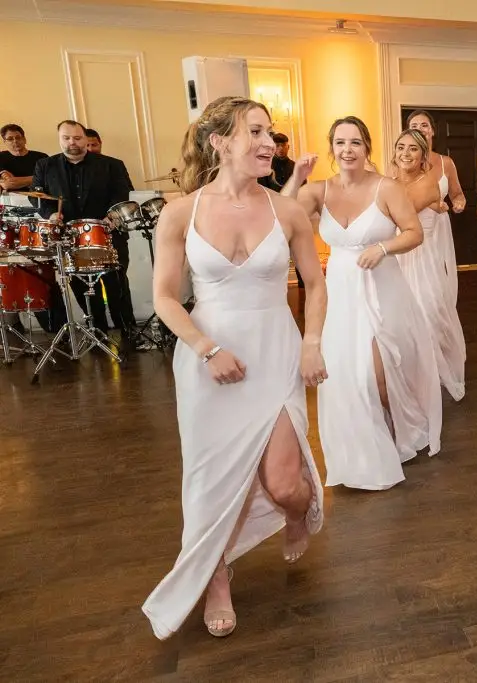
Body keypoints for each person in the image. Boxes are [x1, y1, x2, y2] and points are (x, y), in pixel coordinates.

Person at [142, 96, 328, 640]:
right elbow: (166, 299)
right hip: (208, 359)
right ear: (219, 142)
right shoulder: (180, 213)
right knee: (209, 484)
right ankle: (216, 579)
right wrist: (206, 349)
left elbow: (314, 284)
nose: (270, 142)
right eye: (255, 132)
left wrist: (312, 342)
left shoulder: (286, 210)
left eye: (270, 132)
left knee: (285, 482)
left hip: (274, 352)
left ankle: (298, 512)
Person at [283, 116, 443, 491]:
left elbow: (414, 233)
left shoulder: (385, 188)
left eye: (355, 142)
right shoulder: (318, 191)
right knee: (347, 372)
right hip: (338, 288)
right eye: (340, 143)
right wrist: (296, 175)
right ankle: (361, 448)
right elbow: (280, 216)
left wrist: (383, 247)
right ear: (332, 149)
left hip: (381, 285)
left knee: (379, 370)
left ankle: (397, 427)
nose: (348, 150)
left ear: (367, 148)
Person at [32, 120, 136, 335]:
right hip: (70, 238)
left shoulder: (111, 164)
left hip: (107, 233)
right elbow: (37, 197)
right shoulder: (45, 165)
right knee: (83, 289)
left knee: (117, 286)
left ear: (86, 139)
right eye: (66, 138)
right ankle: (97, 331)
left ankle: (128, 331)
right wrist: (50, 213)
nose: (72, 142)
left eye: (77, 138)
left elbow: (121, 193)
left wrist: (112, 216)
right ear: (60, 139)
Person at [392, 129, 467, 401]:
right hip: (395, 262)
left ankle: (429, 378)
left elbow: (394, 216)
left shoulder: (427, 184)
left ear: (424, 155)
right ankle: (408, 379)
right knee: (399, 323)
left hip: (421, 261)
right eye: (401, 147)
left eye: (413, 149)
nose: (405, 153)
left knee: (428, 316)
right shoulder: (387, 184)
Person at [406, 110, 468, 305]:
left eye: (424, 125)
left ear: (432, 131)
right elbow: (397, 197)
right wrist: (433, 203)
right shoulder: (401, 162)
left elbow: (457, 193)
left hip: (438, 231)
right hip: (411, 225)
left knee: (437, 283)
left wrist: (459, 202)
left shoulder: (446, 163)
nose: (419, 129)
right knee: (413, 284)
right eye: (414, 126)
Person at [0, 124, 48, 192]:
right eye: (10, 139)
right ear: (5, 142)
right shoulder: (1, 157)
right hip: (10, 201)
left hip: (38, 199)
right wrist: (35, 179)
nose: (15, 141)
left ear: (24, 139)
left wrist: (18, 181)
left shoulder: (42, 157)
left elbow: (49, 179)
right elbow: (6, 184)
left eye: (18, 137)